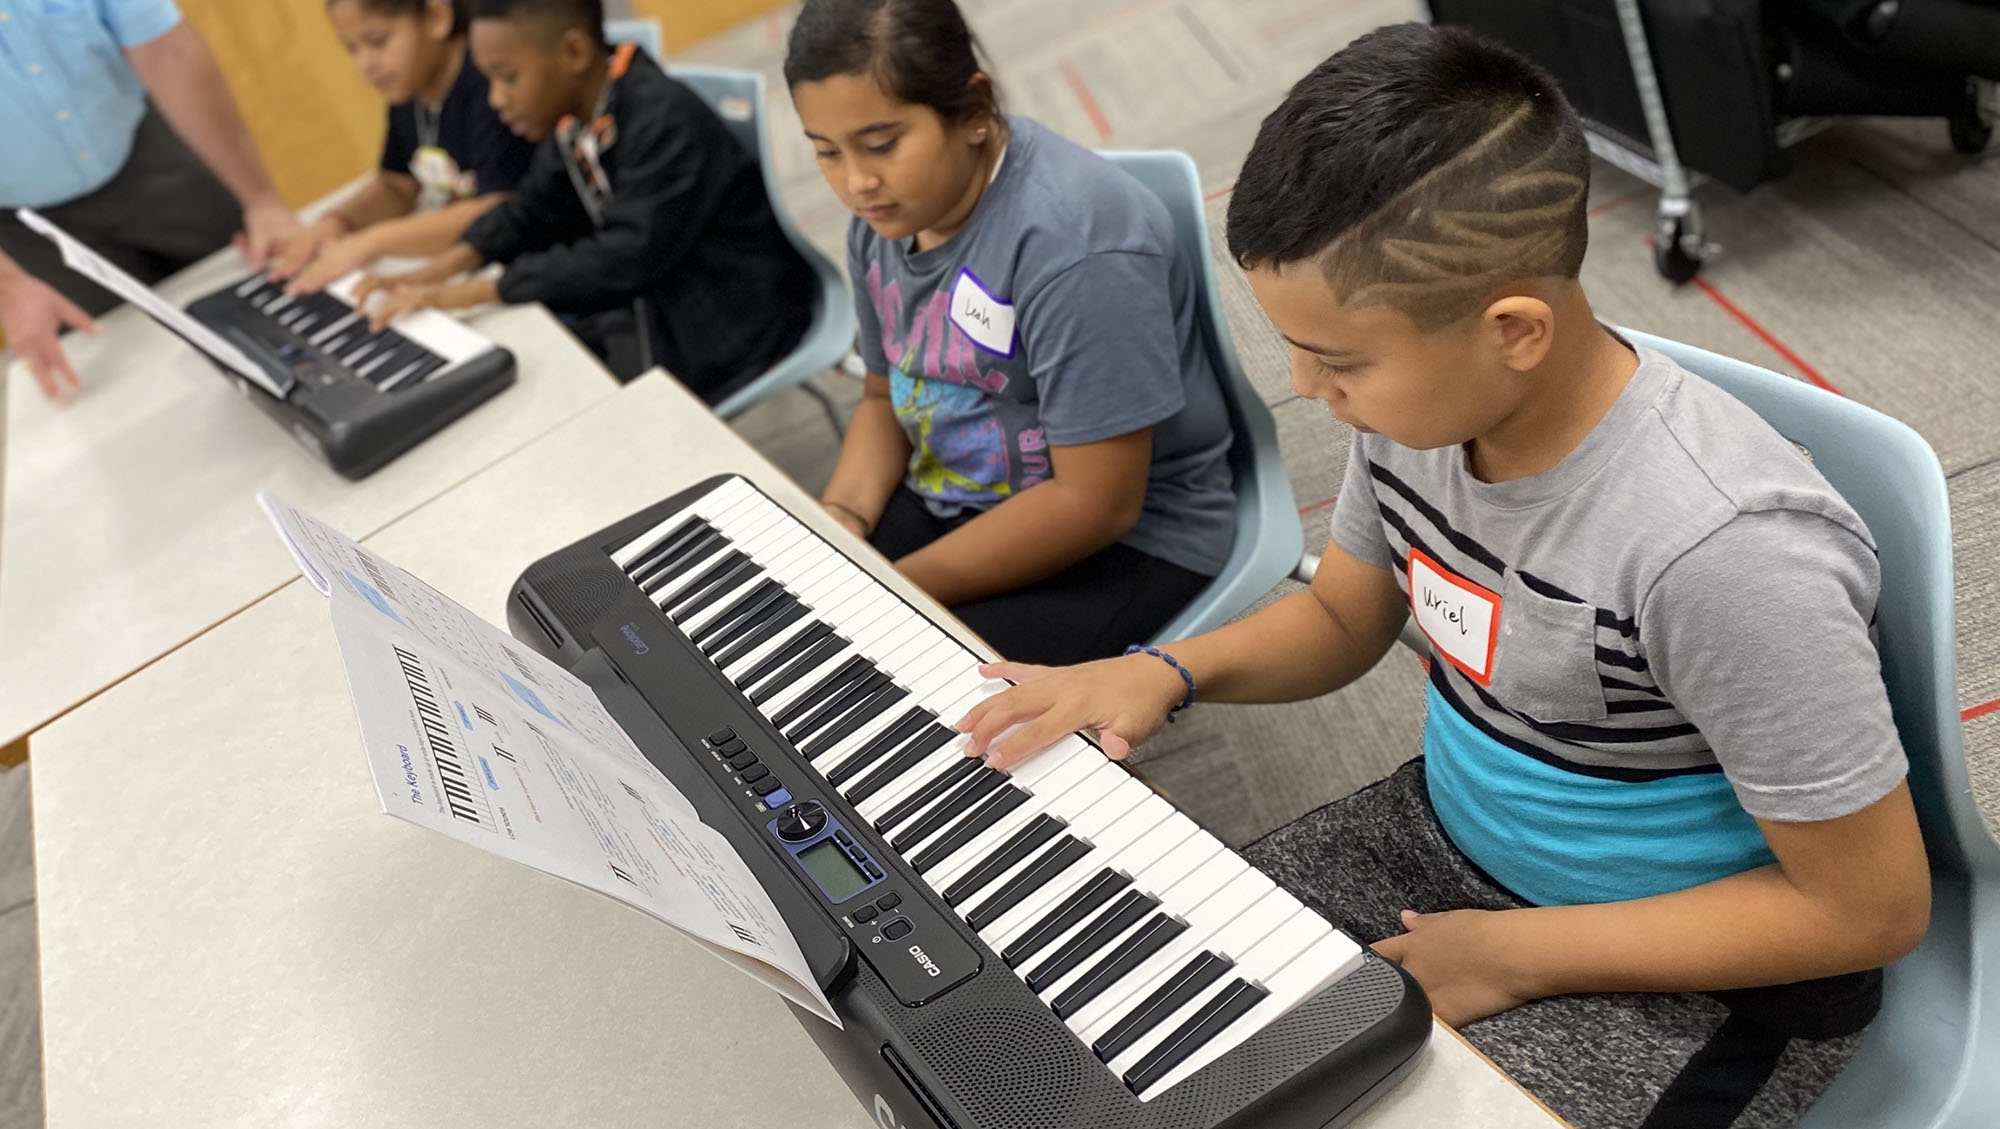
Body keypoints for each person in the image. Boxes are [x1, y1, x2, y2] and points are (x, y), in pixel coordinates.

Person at [955, 24, 1930, 1129]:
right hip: (1450, 839)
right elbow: (1339, 615)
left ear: (1511, 329)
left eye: (1337, 358)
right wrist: (1164, 671)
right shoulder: (1423, 413)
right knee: (1114, 999)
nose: (1303, 388)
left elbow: (1866, 906)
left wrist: (1518, 953)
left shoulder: (1724, 548)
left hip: (1706, 960)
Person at [785, 0, 1235, 665]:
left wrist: (895, 588)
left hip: (1129, 531)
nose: (856, 182)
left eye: (881, 144)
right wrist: (843, 519)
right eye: (826, 152)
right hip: (959, 487)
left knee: (905, 686)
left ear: (973, 110)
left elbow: (1095, 504)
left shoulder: (1076, 245)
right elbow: (883, 397)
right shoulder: (883, 217)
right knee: (797, 626)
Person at [359, 0, 816, 396]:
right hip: (660, 310)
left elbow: (621, 258)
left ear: (574, 52)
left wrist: (468, 293)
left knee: (546, 397)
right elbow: (530, 210)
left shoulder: (661, 121)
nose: (497, 99)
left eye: (508, 77)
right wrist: (436, 273)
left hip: (734, 325)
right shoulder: (580, 118)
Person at [0, 0, 301, 401]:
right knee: (125, 382)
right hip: (29, 230)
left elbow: (167, 51)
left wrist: (261, 199)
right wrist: (8, 286)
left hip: (145, 150)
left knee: (267, 304)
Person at [269, 0, 537, 294]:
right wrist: (337, 222)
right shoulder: (409, 89)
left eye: (378, 42)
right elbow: (398, 185)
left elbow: (495, 209)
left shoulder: (487, 83)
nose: (365, 65)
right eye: (351, 48)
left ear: (436, 16)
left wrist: (372, 241)